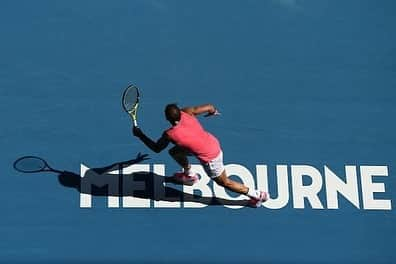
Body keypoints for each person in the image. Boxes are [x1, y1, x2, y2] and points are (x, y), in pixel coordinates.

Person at [132, 103, 269, 207]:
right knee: (174, 151)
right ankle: (189, 175)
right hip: (212, 141)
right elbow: (209, 106)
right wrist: (213, 111)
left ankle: (257, 195)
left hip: (210, 157)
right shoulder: (187, 112)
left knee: (224, 182)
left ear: (167, 118)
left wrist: (140, 135)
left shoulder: (170, 134)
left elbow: (156, 148)